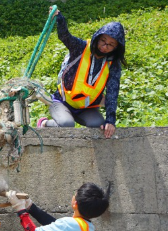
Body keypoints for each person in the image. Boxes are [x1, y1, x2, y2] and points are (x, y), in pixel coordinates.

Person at [40, 9, 126, 139]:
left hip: (86, 107)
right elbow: (65, 37)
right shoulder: (80, 47)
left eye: (110, 45)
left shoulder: (113, 64)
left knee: (99, 125)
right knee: (66, 124)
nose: (104, 46)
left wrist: (110, 120)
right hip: (62, 101)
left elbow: (112, 92)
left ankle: (73, 116)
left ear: (116, 48)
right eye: (103, 41)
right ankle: (45, 123)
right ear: (97, 37)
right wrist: (59, 19)